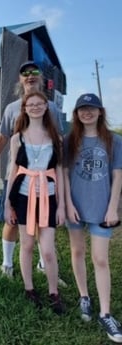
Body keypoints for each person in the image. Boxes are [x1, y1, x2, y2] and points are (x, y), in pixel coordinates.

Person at [0, 60, 65, 280]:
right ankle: (7, 266)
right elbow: (2, 136)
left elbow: (59, 140)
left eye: (34, 72)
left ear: (41, 78)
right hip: (17, 177)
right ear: (20, 80)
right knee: (11, 221)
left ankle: (43, 264)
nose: (30, 76)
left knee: (44, 222)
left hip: (45, 179)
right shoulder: (11, 109)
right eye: (25, 73)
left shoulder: (52, 109)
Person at [64, 93, 122, 342]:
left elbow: (118, 177)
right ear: (76, 114)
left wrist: (113, 208)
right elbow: (64, 175)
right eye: (82, 109)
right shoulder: (70, 140)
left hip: (101, 207)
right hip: (75, 206)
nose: (87, 113)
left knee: (100, 259)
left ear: (100, 112)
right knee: (77, 252)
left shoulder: (114, 141)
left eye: (92, 108)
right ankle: (84, 296)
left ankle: (105, 313)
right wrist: (67, 204)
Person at [4, 91, 65, 314]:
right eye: (31, 104)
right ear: (25, 108)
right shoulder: (16, 138)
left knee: (48, 250)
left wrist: (62, 206)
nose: (36, 107)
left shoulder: (56, 138)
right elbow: (13, 171)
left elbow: (59, 172)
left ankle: (53, 292)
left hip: (47, 197)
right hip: (22, 195)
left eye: (40, 104)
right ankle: (29, 289)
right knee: (27, 245)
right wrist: (7, 204)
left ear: (47, 107)